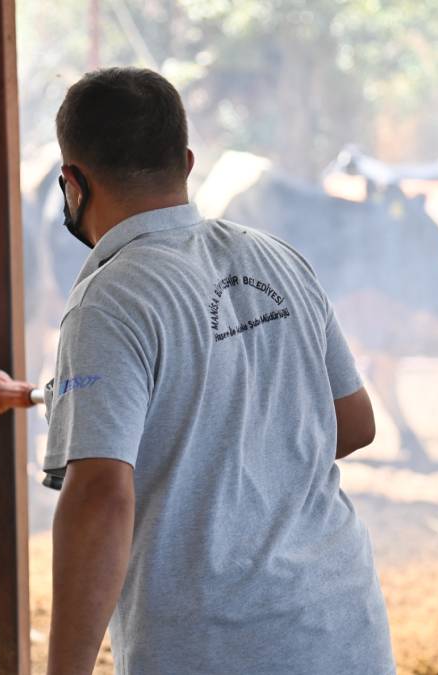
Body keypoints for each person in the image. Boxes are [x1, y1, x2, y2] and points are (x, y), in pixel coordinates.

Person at [40, 67, 394, 675]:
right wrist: (232, 440)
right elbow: (354, 421)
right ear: (185, 160)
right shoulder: (276, 257)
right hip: (344, 631)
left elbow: (99, 496)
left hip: (216, 648)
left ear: (73, 182)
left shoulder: (110, 298)